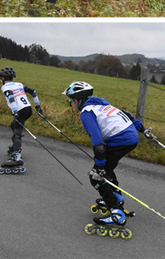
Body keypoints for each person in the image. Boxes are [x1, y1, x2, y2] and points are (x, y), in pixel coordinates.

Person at [62, 81, 156, 229]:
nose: (70, 104)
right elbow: (127, 115)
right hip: (130, 137)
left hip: (120, 140)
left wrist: (98, 167)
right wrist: (143, 130)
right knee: (107, 169)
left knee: (96, 177)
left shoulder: (86, 113)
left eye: (69, 101)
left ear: (77, 100)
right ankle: (116, 198)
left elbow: (98, 145)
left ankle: (116, 212)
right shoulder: (101, 103)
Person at [0, 66, 43, 170]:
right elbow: (33, 91)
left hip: (20, 110)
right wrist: (37, 106)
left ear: (3, 79)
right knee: (14, 125)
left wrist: (15, 111)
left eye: (1, 78)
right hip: (28, 109)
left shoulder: (5, 87)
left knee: (17, 130)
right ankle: (15, 147)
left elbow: (11, 97)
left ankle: (16, 156)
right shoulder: (19, 84)